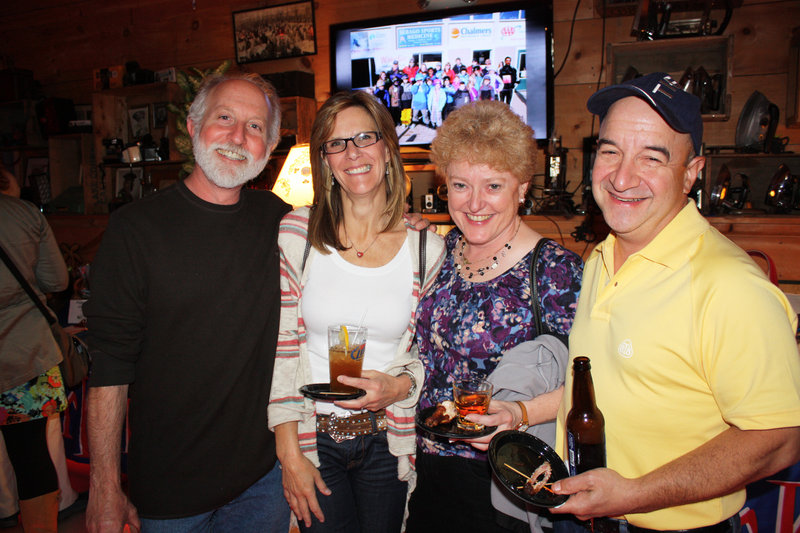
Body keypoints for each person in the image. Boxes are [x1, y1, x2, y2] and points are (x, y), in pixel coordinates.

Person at [549, 72, 800, 531]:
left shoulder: (731, 286)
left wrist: (636, 494)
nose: (622, 177)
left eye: (652, 158)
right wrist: (523, 412)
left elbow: (780, 440)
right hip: (583, 513)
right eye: (610, 151)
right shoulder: (600, 258)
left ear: (691, 174)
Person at [83, 73, 293, 532]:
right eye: (224, 118)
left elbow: (351, 246)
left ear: (269, 147)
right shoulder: (135, 229)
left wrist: (403, 227)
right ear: (194, 127)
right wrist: (104, 486)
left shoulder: (278, 220)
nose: (238, 137)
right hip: (170, 490)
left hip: (263, 480)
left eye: (255, 127)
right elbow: (110, 368)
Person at [269, 90, 445, 533]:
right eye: (336, 143)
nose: (353, 153)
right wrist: (289, 452)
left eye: (365, 137)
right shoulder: (297, 235)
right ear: (325, 160)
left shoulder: (427, 248)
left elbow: (432, 356)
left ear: (387, 148)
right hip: (315, 437)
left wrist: (399, 385)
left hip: (387, 439)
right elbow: (281, 347)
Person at [405, 100, 583, 533]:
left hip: (506, 481)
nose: (475, 203)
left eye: (494, 186)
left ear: (522, 187)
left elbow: (597, 383)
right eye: (461, 185)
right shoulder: (438, 252)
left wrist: (521, 412)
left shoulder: (556, 271)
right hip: (426, 473)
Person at [0, 166, 69, 532]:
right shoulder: (24, 214)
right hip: (25, 355)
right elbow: (57, 279)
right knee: (31, 458)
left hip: (24, 353)